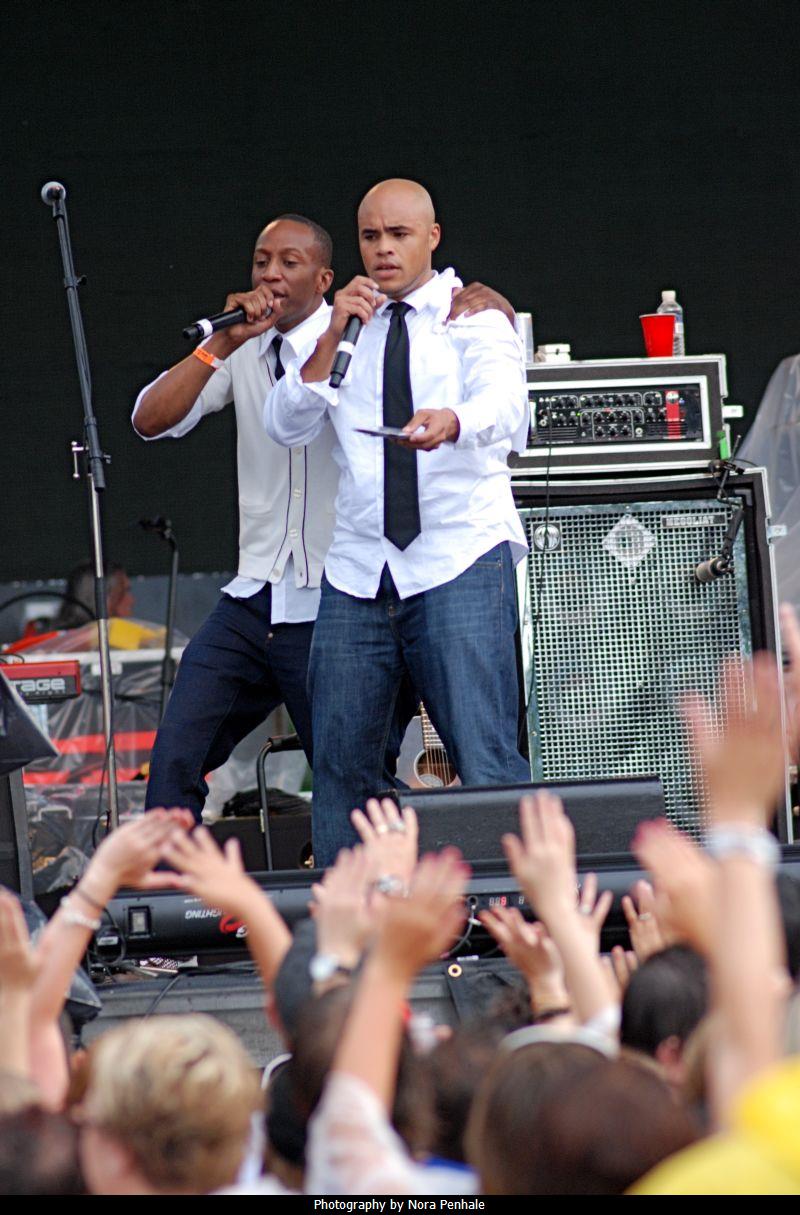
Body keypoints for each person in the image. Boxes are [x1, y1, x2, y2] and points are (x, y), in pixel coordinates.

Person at [134, 212, 517, 824]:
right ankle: (168, 881)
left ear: (325, 280)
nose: (271, 275)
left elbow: (475, 381)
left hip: (334, 599)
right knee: (175, 759)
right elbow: (148, 420)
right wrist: (221, 344)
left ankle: (402, 875)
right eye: (261, 262)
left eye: (289, 263)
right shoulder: (244, 346)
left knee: (352, 781)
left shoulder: (362, 332)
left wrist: (490, 306)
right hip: (255, 593)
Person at [264, 179, 532, 866]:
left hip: (456, 556)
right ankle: (351, 915)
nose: (383, 249)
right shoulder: (341, 323)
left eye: (399, 234)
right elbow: (284, 423)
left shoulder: (473, 315)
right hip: (359, 568)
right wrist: (330, 332)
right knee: (344, 767)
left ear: (432, 237)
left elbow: (508, 406)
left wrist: (454, 420)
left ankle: (515, 912)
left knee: (484, 754)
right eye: (370, 236)